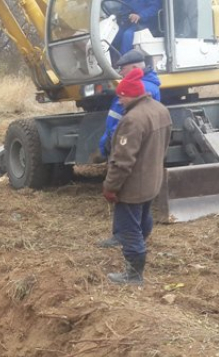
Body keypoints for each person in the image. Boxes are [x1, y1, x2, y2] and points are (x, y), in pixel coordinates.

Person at [102, 68, 172, 284]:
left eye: (121, 97)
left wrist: (110, 187)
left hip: (133, 186)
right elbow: (166, 144)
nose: (119, 101)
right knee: (143, 218)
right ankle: (139, 249)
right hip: (152, 180)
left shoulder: (132, 120)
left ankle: (133, 275)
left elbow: (122, 161)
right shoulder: (160, 110)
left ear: (128, 94)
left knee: (128, 227)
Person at [96, 49, 161, 248]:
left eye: (123, 69)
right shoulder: (143, 87)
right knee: (137, 203)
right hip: (124, 143)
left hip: (125, 144)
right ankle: (129, 236)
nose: (121, 73)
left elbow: (126, 126)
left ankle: (131, 245)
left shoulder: (140, 88)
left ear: (134, 68)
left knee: (129, 201)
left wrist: (112, 141)